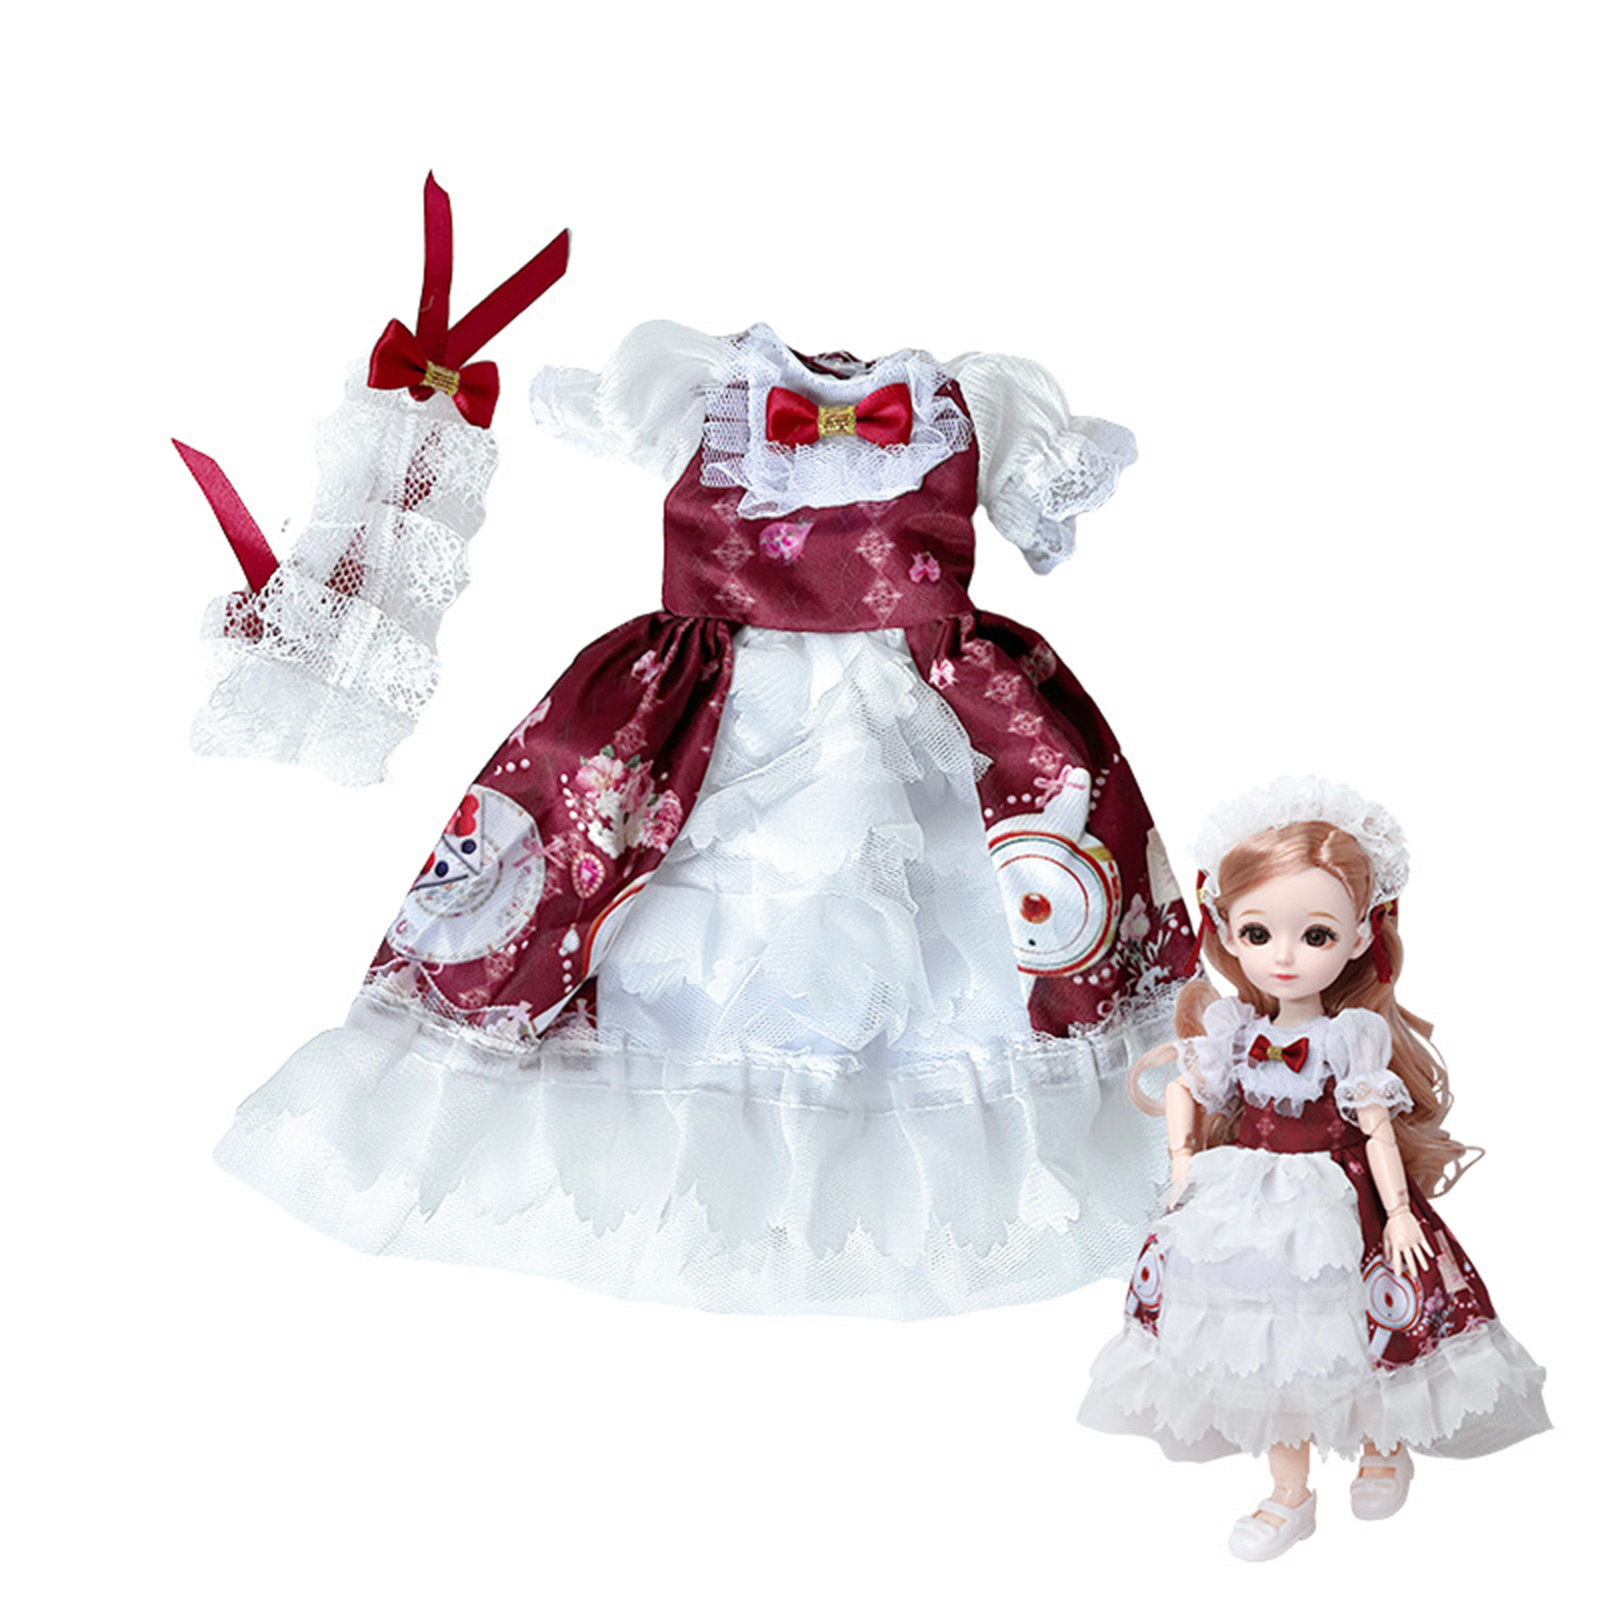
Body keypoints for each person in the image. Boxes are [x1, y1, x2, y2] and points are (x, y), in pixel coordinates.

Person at [215, 322, 1198, 1316]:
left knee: (978, 942)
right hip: (708, 705)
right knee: (630, 911)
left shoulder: (978, 402)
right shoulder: (693, 387)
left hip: (927, 717)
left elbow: (1043, 513)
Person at [1078, 777, 1549, 1559]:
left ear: (1360, 938)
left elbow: (1376, 1129)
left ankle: (1382, 1447)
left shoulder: (1347, 1037)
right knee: (1268, 1347)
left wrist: (1400, 1213)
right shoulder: (1233, 1029)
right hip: (1250, 1197)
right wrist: (1184, 1160)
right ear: (1227, 932)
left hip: (1343, 1197)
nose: (1285, 956)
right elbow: (1190, 1088)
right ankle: (1289, 1492)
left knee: (1365, 1326)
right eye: (1259, 933)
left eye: (1317, 935)